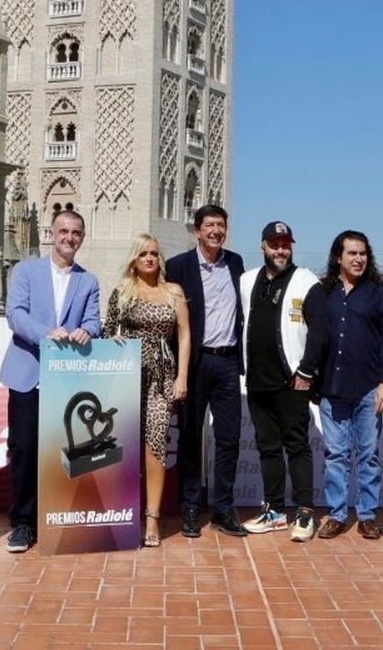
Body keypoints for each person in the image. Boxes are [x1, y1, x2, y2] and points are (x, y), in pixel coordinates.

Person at [0, 208, 102, 554]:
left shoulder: (88, 281)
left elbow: (93, 321)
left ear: (82, 238)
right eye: (63, 231)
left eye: (75, 233)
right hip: (28, 374)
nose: (69, 238)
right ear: (51, 233)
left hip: (65, 381)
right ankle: (23, 524)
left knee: (63, 452)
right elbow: (15, 315)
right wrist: (48, 334)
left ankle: (55, 519)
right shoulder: (26, 271)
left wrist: (87, 332)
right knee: (25, 450)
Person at [295, 230, 383, 540]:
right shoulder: (320, 292)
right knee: (336, 455)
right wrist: (307, 375)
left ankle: (366, 515)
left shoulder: (379, 292)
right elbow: (311, 336)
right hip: (331, 388)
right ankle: (337, 514)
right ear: (338, 257)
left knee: (368, 455)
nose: (358, 259)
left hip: (368, 387)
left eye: (363, 253)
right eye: (352, 253)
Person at [102, 233, 190, 547]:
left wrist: (182, 378)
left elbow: (184, 335)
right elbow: (107, 331)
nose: (149, 258)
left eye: (154, 253)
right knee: (121, 445)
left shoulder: (173, 292)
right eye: (143, 254)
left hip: (161, 378)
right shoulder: (122, 292)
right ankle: (120, 515)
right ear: (134, 260)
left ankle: (151, 517)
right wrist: (113, 341)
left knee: (155, 445)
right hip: (126, 376)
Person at [164, 203, 247, 537]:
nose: (216, 231)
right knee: (189, 438)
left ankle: (223, 509)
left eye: (221, 225)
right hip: (195, 364)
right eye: (210, 225)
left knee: (229, 438)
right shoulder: (178, 267)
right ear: (197, 231)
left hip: (227, 362)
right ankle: (190, 509)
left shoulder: (236, 263)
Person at [237, 220, 320, 540]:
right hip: (258, 381)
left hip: (292, 381)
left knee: (297, 446)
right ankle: (273, 510)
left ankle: (304, 513)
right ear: (263, 246)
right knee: (268, 448)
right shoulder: (246, 280)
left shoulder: (306, 280)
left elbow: (319, 332)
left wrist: (306, 373)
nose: (281, 250)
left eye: (286, 244)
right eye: (275, 244)